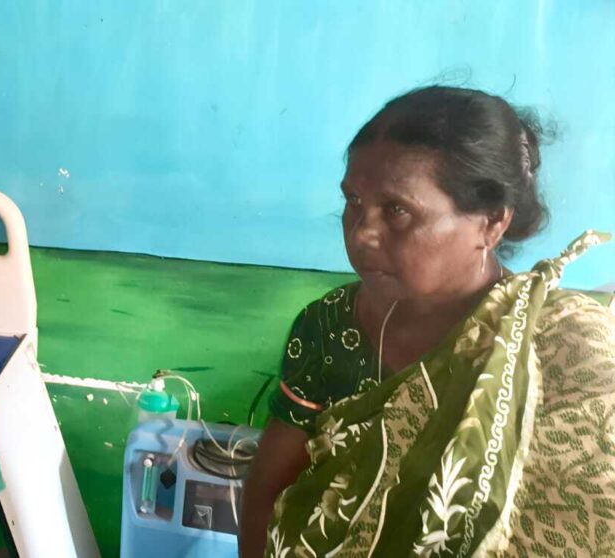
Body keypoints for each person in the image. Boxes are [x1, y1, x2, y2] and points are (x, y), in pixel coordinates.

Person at [240, 86, 615, 557]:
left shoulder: (565, 346)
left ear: (491, 222)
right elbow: (266, 489)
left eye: (397, 210)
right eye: (354, 201)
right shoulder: (329, 326)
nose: (362, 233)